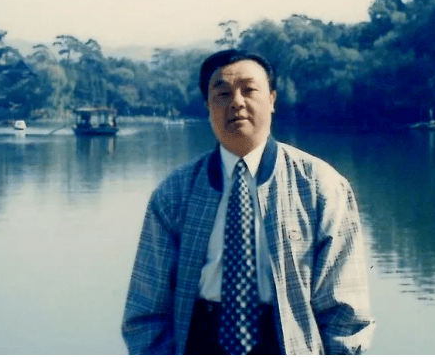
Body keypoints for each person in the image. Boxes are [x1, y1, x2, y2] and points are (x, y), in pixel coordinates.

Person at [121, 49, 375, 355]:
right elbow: (147, 311)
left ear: (272, 99)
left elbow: (345, 314)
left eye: (249, 90)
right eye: (223, 93)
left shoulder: (321, 187)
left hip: (287, 342)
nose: (236, 102)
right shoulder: (175, 193)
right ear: (208, 105)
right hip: (200, 340)